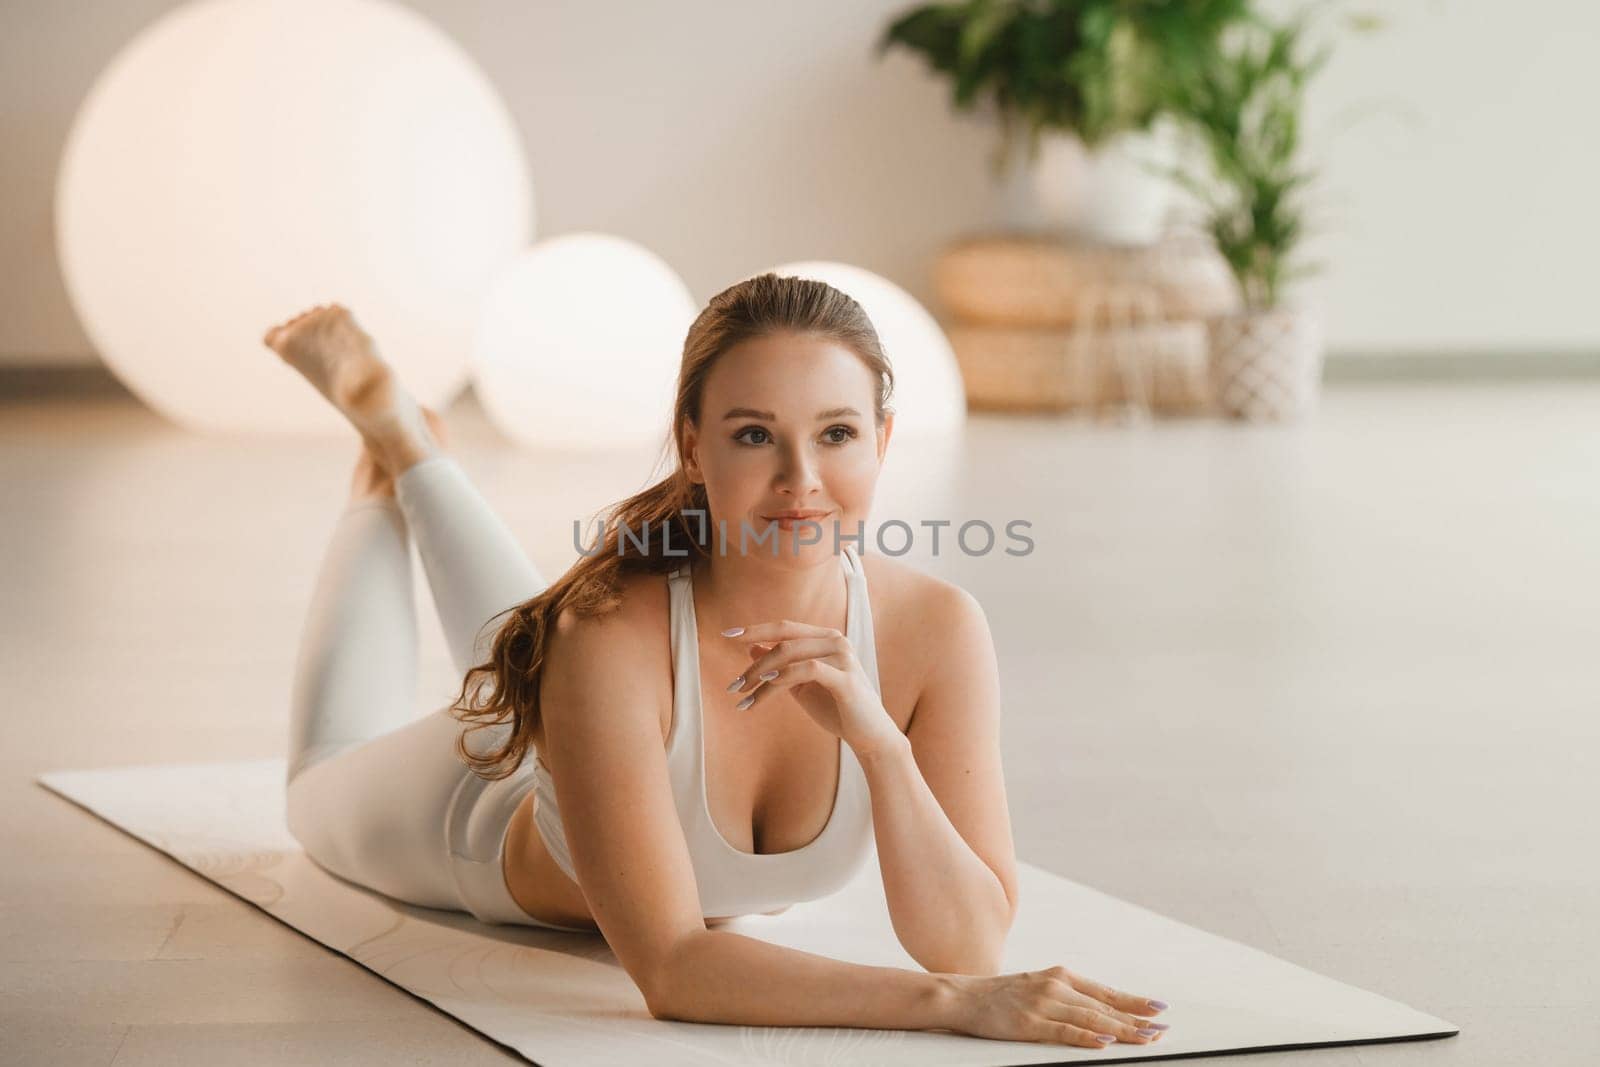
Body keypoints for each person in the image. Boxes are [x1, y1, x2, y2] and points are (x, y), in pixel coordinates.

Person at [262, 273, 1171, 1049]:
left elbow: (971, 941)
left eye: (838, 434)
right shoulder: (606, 638)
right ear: (692, 446)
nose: (800, 478)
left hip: (604, 702)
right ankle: (389, 452)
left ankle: (409, 439)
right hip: (473, 807)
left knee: (533, 633)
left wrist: (881, 744)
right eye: (752, 434)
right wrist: (948, 1007)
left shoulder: (937, 628)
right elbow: (674, 965)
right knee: (316, 785)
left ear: (883, 441)